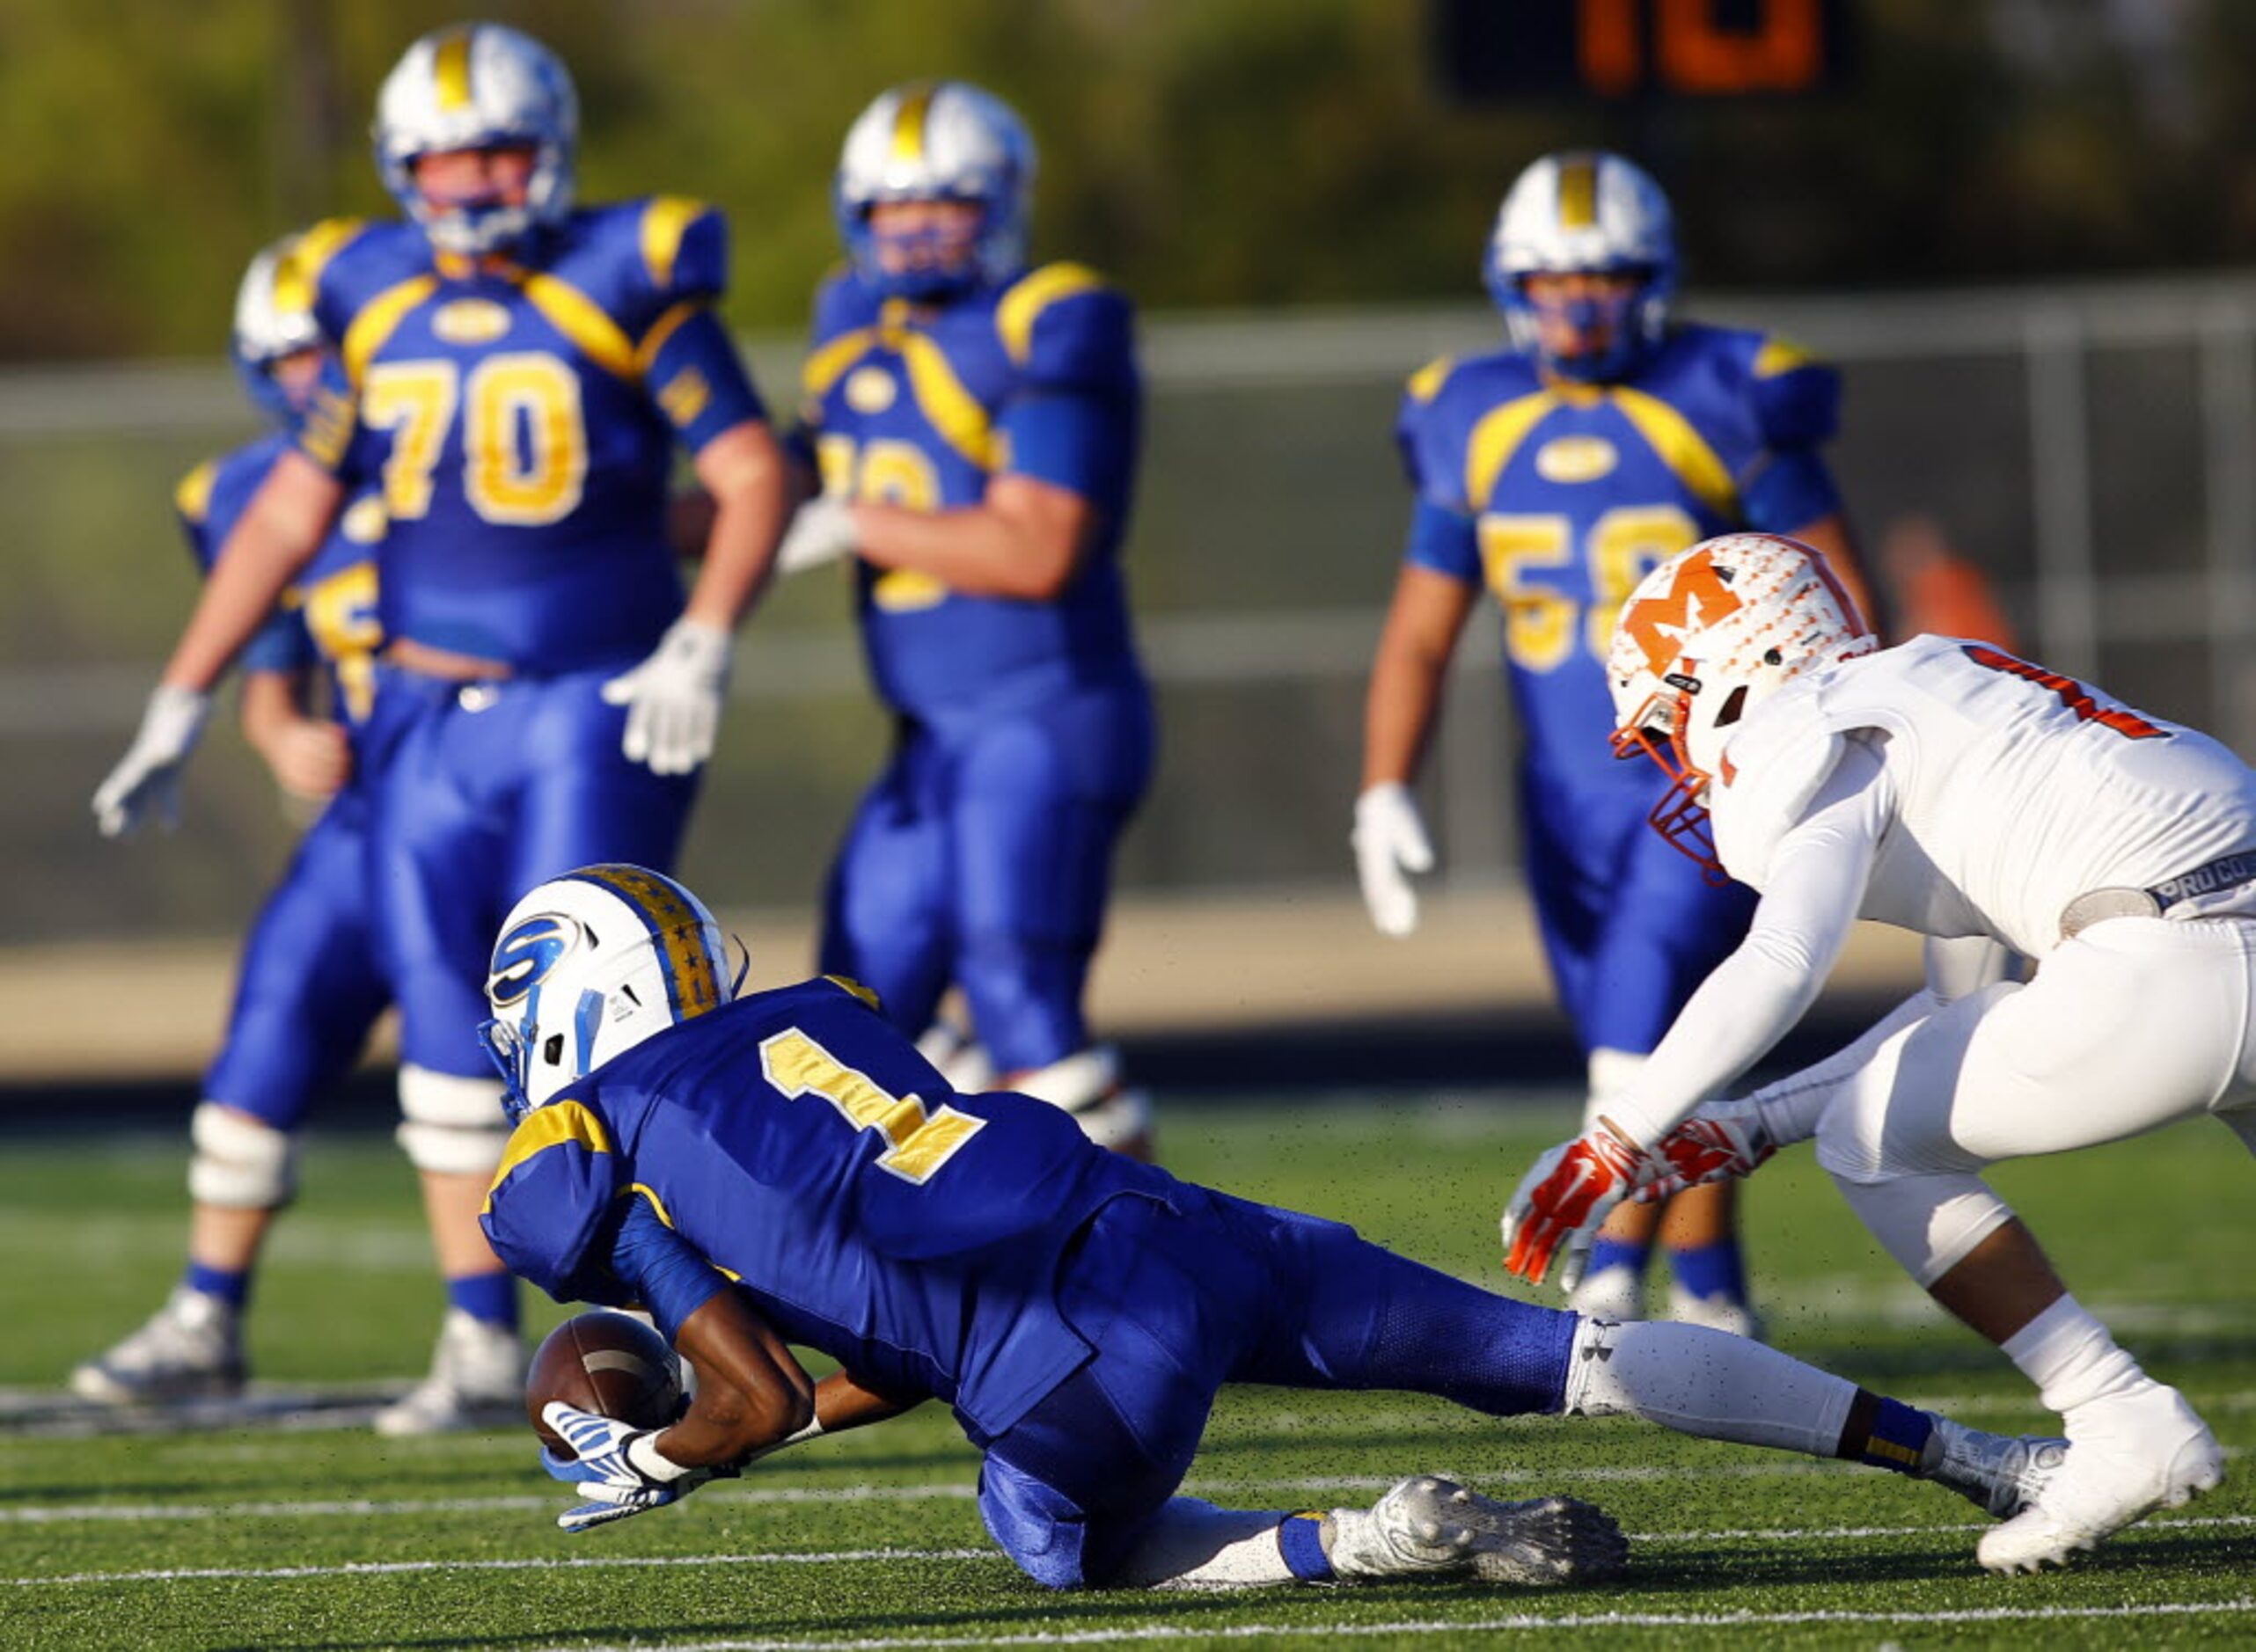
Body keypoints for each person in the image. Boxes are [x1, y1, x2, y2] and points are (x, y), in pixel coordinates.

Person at [476, 862, 2064, 1588]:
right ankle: (1988, 1461)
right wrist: (781, 1409)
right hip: (1172, 1222)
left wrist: (643, 1454)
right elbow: (873, 1338)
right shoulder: (816, 1012)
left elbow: (738, 1397)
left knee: (1046, 1543)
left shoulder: (594, 1147)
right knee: (1556, 1350)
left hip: (1071, 1346)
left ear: (556, 1012)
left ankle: (1366, 1540)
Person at [88, 23, 791, 1433]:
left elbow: (752, 466)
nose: (470, 185)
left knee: (614, 1032)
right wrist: (187, 690)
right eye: (444, 157)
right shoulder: (369, 295)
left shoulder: (624, 277)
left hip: (583, 702)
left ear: (552, 149)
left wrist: (708, 632)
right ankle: (481, 1334)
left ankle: (749, 1312)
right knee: (438, 1032)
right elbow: (293, 505)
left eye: (495, 151)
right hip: (420, 716)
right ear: (401, 170)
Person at [1500, 530, 2243, 1573]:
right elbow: (1962, 1011)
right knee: (1875, 1113)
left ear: (1730, 669)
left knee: (1869, 1144)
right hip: (2188, 928)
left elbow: (1784, 957)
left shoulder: (1807, 726)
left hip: (2162, 965)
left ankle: (2117, 1418)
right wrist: (1751, 1126)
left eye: (1670, 718)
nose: (1677, 758)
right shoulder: (1943, 692)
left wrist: (1614, 1139)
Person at [1358, 151, 1877, 1336]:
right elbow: (1423, 628)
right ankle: (1709, 1292)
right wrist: (1383, 784)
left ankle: (1599, 1280)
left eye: (1604, 281)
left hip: (1700, 775)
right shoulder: (1469, 413)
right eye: (1551, 282)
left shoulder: (1727, 388)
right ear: (1510, 284)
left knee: (1635, 1036)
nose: (1577, 306)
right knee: (1670, 1040)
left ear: (1652, 280)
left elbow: (1839, 594)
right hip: (1560, 790)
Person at [768, 80, 1154, 1156]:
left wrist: (855, 519)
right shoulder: (846, 318)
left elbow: (1037, 551)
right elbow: (770, 487)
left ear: (1002, 202)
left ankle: (1164, 1289)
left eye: (942, 204)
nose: (914, 232)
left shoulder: (1055, 314)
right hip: (928, 742)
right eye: (891, 210)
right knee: (844, 1022)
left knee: (1021, 996)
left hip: (1043, 711)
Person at [74, 236, 392, 1405]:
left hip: (488, 794)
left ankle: (529, 1325)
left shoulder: (448, 450)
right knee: (265, 1037)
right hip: (362, 823)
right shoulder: (244, 490)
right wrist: (279, 736)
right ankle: (207, 1311)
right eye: (297, 353)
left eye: (335, 349)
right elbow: (273, 685)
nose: (320, 374)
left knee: (516, 1073)